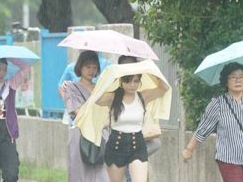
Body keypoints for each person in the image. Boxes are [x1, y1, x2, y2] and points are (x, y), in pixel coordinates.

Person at [182, 62, 243, 182]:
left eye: (241, 77)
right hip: (228, 158)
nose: (237, 80)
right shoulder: (218, 104)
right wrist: (189, 149)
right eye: (233, 77)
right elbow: (203, 129)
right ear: (226, 81)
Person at [95, 64, 170, 182]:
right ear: (121, 81)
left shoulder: (143, 96)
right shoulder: (113, 97)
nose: (132, 85)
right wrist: (110, 78)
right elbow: (97, 99)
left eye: (136, 81)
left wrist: (150, 70)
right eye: (128, 81)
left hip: (137, 144)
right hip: (116, 144)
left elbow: (164, 88)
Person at [62, 50, 109, 182]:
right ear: (80, 67)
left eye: (94, 67)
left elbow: (108, 112)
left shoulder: (101, 88)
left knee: (102, 174)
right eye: (88, 67)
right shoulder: (71, 87)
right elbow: (78, 112)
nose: (91, 71)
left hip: (101, 135)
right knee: (80, 175)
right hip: (81, 136)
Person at [118, 56, 162, 182]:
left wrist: (152, 70)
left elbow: (163, 88)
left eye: (132, 66)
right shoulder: (115, 90)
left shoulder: (139, 90)